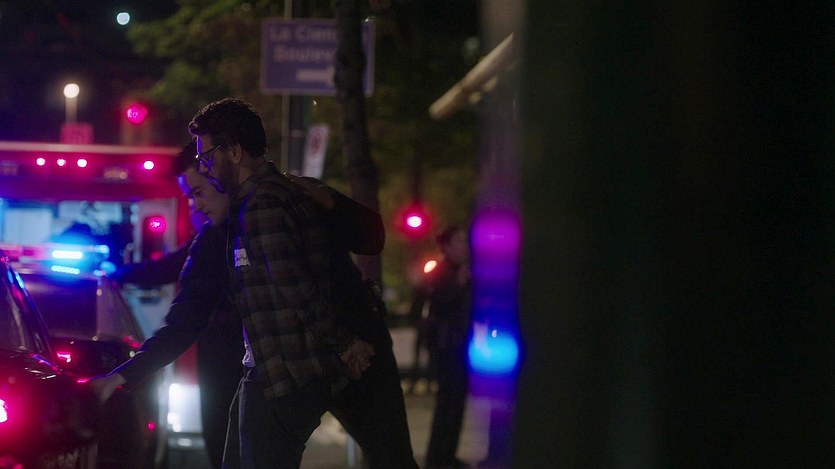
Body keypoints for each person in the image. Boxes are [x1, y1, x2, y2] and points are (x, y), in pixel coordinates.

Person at [189, 97, 375, 469]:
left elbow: (296, 288)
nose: (204, 168)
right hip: (267, 370)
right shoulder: (261, 200)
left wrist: (345, 343)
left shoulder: (264, 204)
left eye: (206, 156)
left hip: (282, 375)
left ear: (235, 151)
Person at [107, 142, 244, 469]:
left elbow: (177, 303)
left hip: (234, 362)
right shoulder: (210, 239)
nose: (195, 205)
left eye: (197, 193)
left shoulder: (222, 236)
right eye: (189, 197)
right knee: (223, 443)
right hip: (221, 358)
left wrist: (116, 275)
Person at [424, 224, 472, 469]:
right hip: (446, 346)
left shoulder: (462, 271)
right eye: (459, 241)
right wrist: (459, 283)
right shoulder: (441, 272)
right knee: (448, 403)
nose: (464, 247)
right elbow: (440, 306)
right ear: (447, 246)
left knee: (456, 403)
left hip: (459, 344)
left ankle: (447, 455)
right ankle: (438, 458)